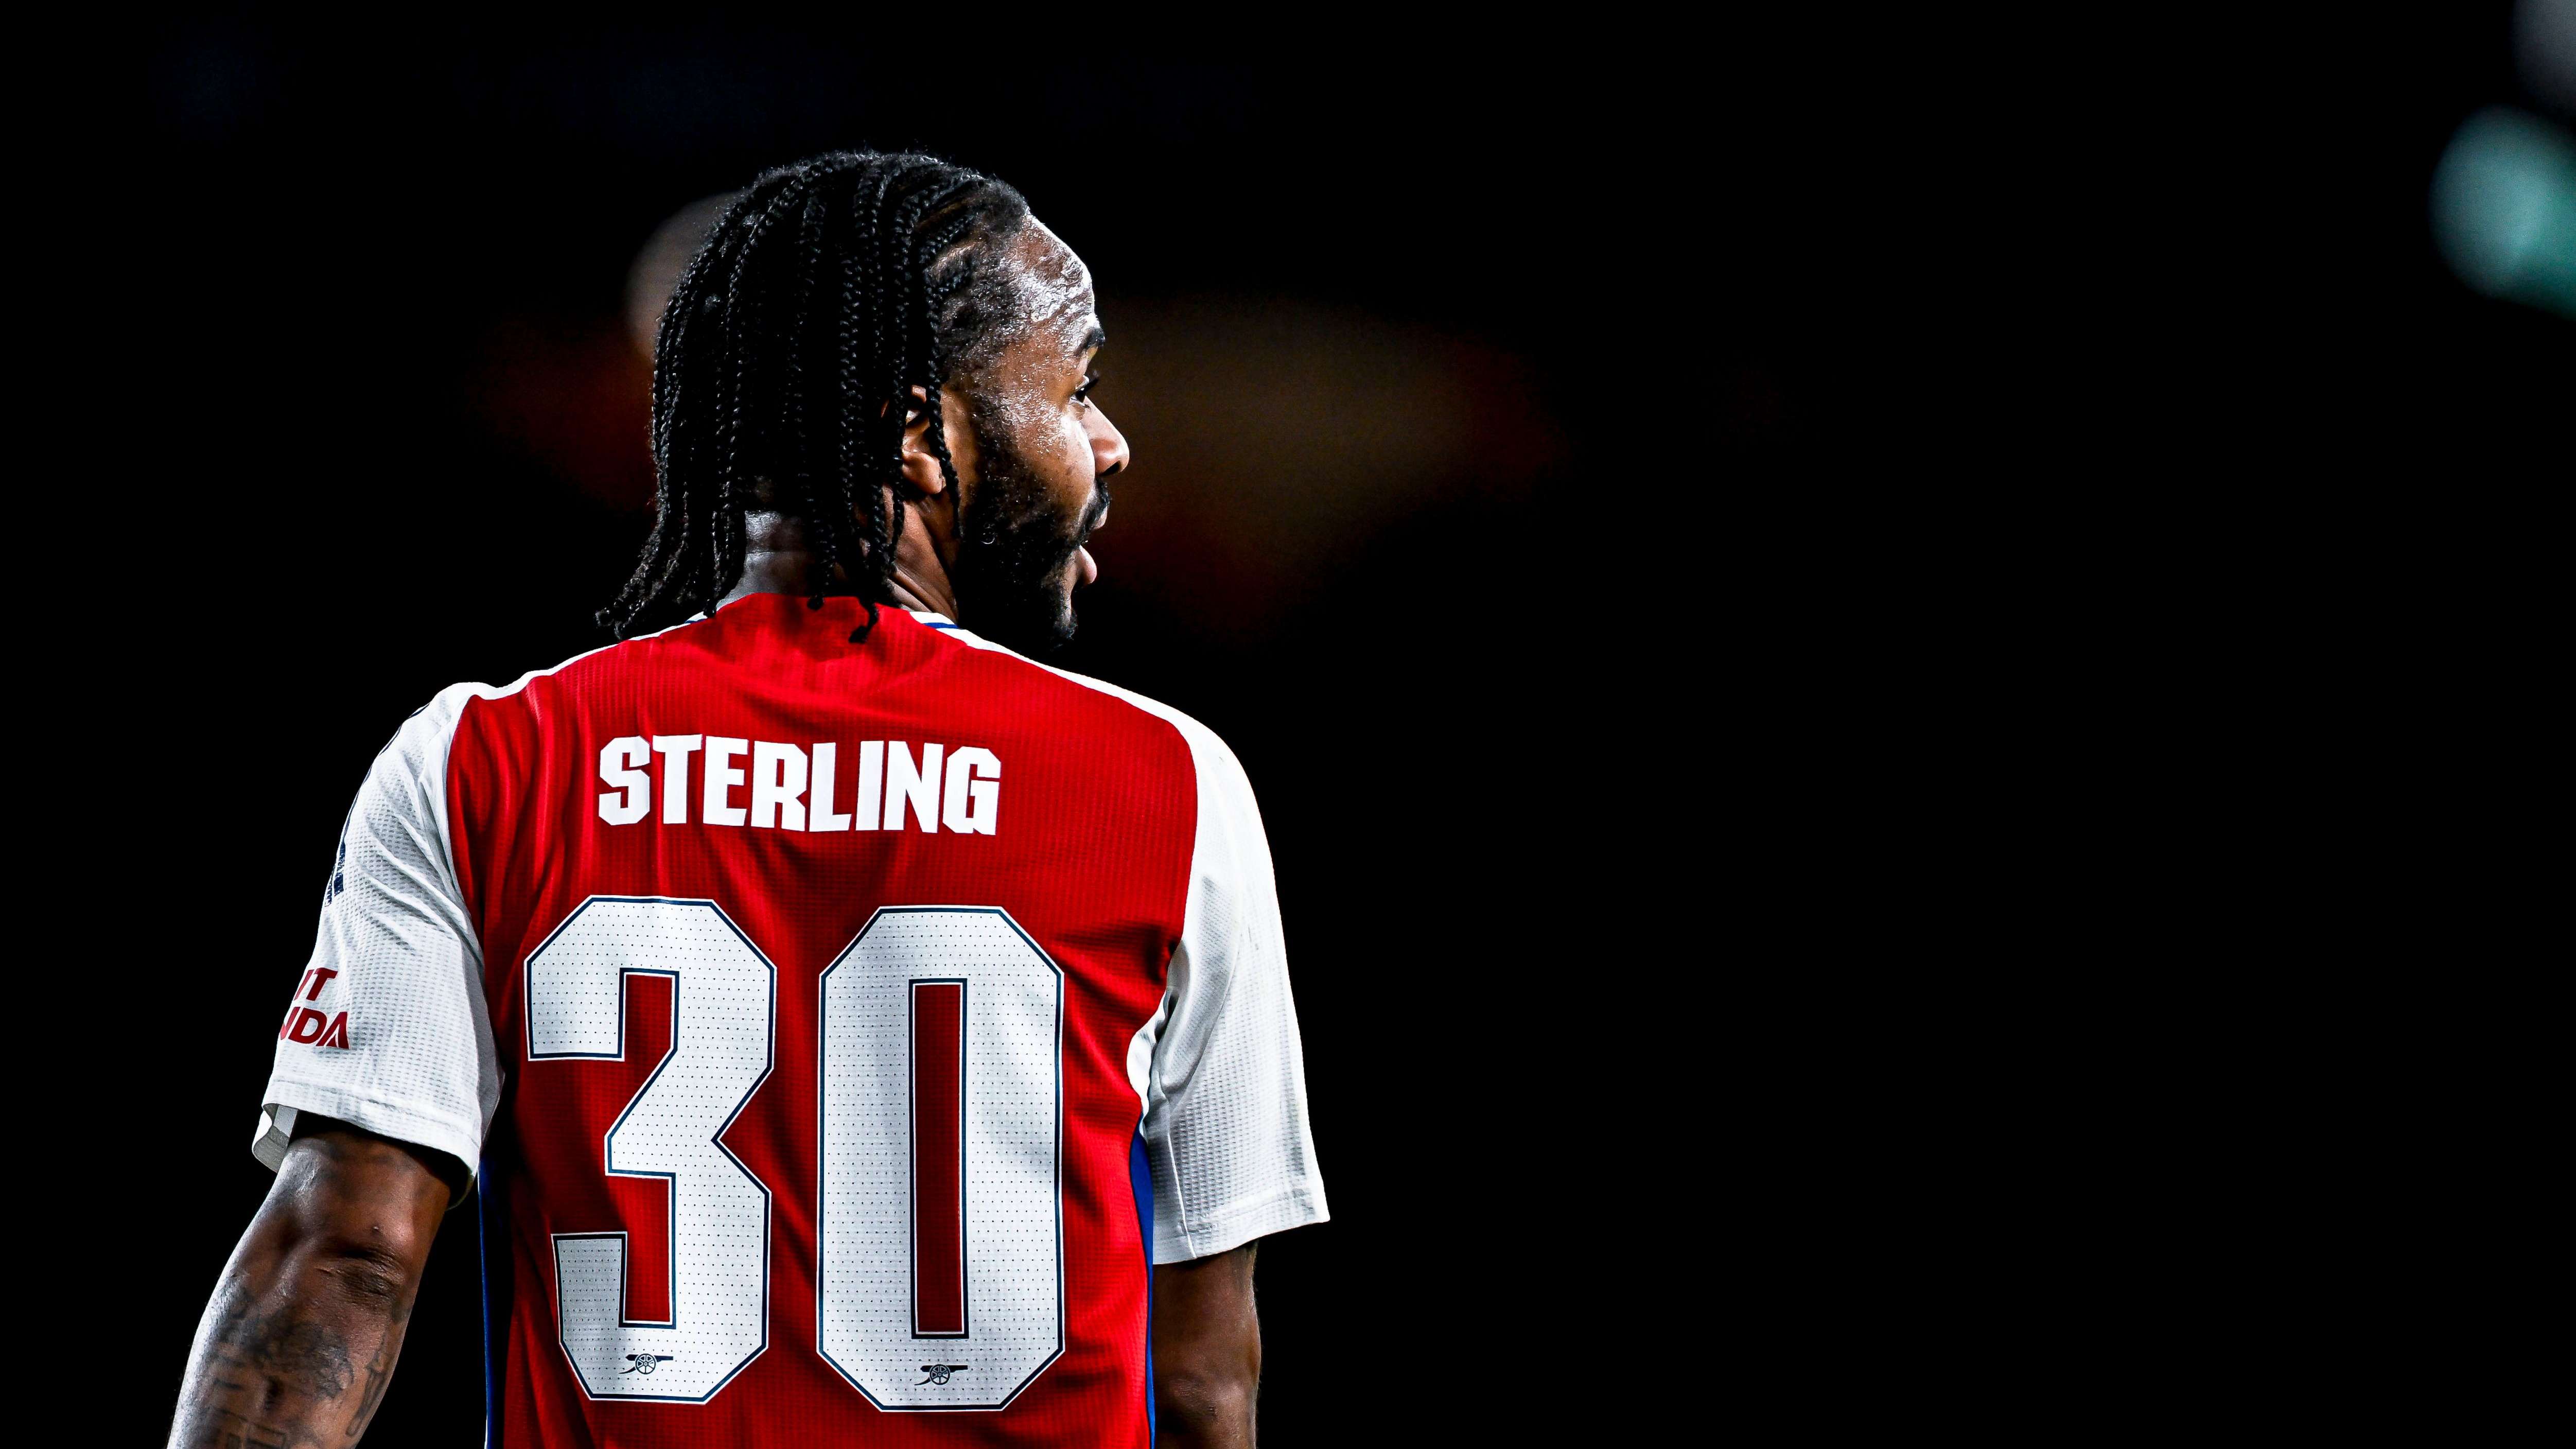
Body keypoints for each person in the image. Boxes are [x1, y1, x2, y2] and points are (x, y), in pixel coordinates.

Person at [169, 151, 1327, 1449]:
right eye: (1078, 388)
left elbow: (343, 1260)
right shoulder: (1166, 789)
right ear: (920, 437)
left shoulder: (488, 760)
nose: (1109, 442)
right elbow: (1201, 1373)